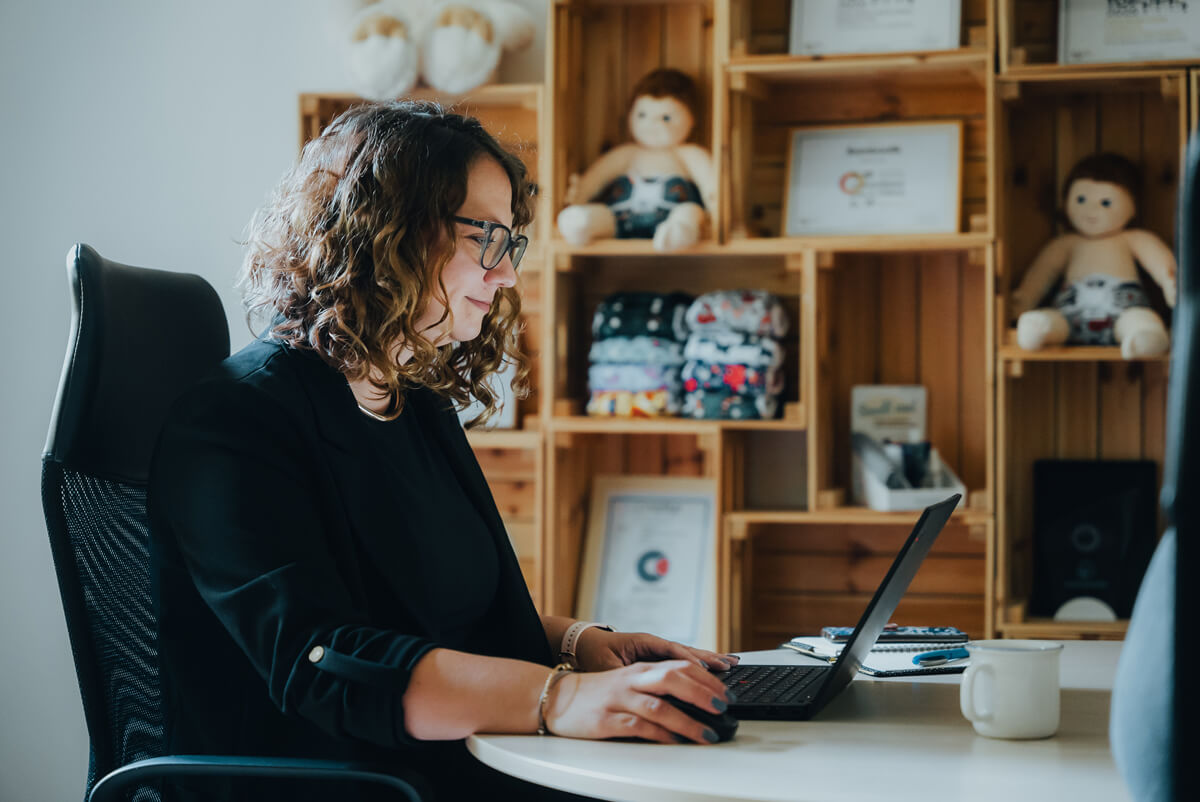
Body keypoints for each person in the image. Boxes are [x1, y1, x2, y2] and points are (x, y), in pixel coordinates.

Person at [148, 101, 739, 802]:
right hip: (349, 781)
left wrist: (579, 646)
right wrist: (557, 699)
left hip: (441, 765)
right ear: (386, 228)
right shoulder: (234, 420)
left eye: (509, 244)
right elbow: (326, 663)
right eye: (486, 238)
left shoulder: (412, 403)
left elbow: (438, 614)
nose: (507, 275)